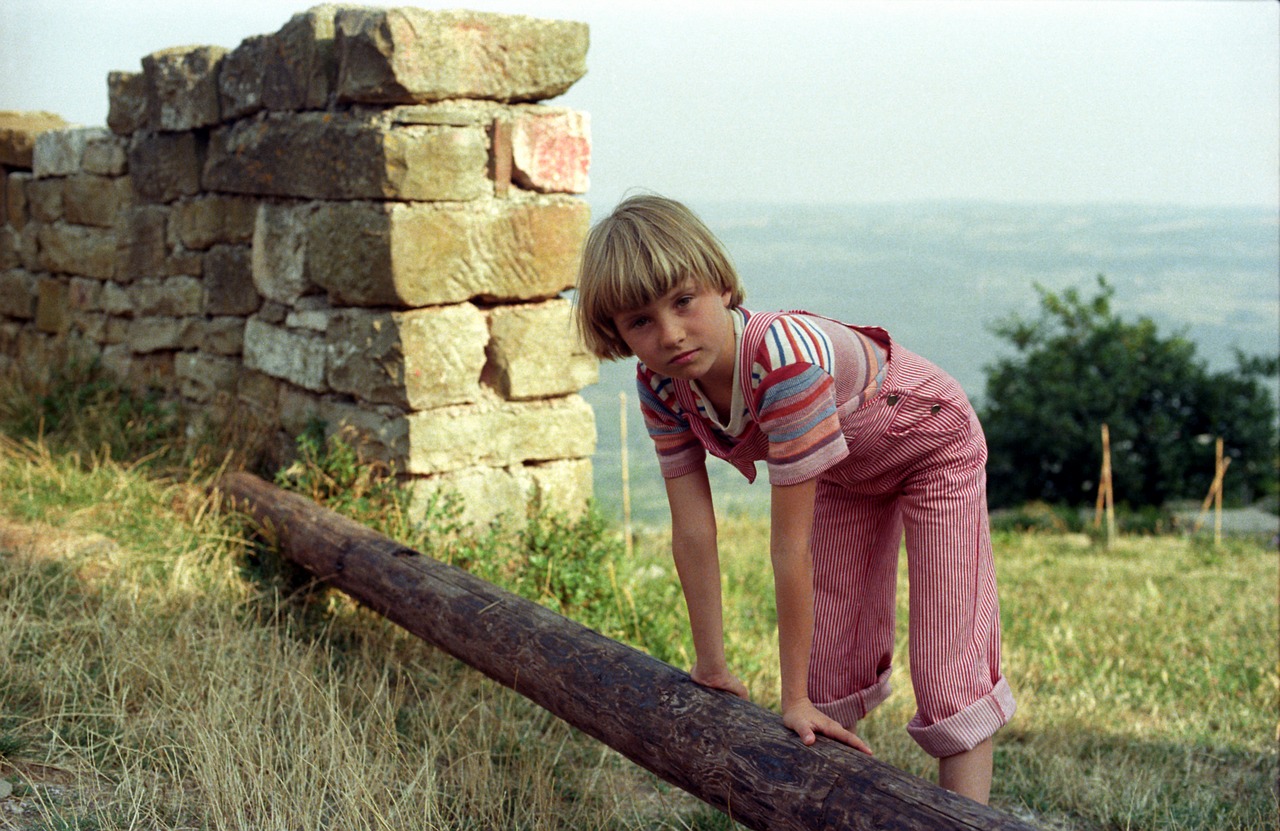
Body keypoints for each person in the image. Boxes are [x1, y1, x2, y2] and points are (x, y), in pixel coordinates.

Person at [573, 194, 1016, 804]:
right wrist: (712, 664)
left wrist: (791, 697)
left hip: (929, 441)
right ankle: (835, 812)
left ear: (722, 287)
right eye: (639, 321)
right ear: (615, 333)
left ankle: (967, 819)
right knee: (831, 663)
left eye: (683, 301)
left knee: (946, 660)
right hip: (840, 469)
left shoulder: (785, 363)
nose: (671, 334)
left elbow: (790, 549)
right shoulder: (661, 384)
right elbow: (694, 529)